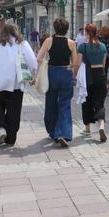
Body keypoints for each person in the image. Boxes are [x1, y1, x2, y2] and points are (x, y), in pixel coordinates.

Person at [0, 24, 38, 147]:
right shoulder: (22, 43)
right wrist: (33, 73)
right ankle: (11, 138)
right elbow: (32, 60)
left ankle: (0, 127)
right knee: (14, 110)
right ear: (16, 32)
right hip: (16, 83)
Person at [37, 18, 79, 148]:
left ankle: (52, 130)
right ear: (66, 29)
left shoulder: (49, 41)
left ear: (55, 28)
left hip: (52, 74)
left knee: (50, 102)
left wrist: (46, 64)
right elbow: (76, 63)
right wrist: (72, 71)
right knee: (65, 104)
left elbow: (38, 58)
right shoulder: (71, 43)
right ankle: (63, 133)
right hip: (65, 73)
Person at [78, 24, 108, 142]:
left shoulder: (82, 47)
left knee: (87, 102)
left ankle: (87, 128)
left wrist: (75, 75)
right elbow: (104, 65)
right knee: (99, 102)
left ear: (86, 32)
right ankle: (101, 126)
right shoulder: (103, 46)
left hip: (87, 76)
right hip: (100, 75)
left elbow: (78, 62)